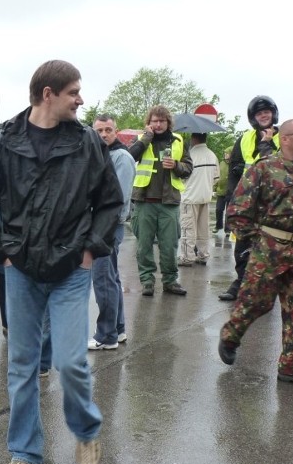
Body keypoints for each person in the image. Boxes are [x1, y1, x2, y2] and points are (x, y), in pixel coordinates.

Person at [0, 59, 123, 464]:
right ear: (48, 94)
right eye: (74, 92)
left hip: (71, 269)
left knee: (70, 363)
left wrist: (90, 250)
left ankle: (86, 431)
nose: (81, 100)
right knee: (22, 365)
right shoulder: (1, 145)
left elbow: (109, 203)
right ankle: (26, 453)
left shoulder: (88, 142)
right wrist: (2, 252)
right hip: (21, 272)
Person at [217, 119, 293, 388]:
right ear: (285, 139)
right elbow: (237, 213)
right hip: (270, 250)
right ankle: (231, 335)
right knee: (255, 302)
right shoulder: (264, 169)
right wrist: (261, 242)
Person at [219, 96, 280, 301]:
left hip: (272, 203)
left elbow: (275, 166)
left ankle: (265, 286)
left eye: (266, 112)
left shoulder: (283, 137)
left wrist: (267, 143)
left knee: (268, 247)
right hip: (247, 203)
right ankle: (241, 282)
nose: (263, 115)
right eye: (259, 113)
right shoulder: (244, 138)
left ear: (273, 114)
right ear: (253, 117)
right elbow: (234, 173)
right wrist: (231, 200)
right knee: (242, 246)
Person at [128, 105, 193, 296]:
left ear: (168, 122)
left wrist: (176, 166)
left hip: (169, 202)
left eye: (161, 121)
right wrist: (146, 139)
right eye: (154, 121)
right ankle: (147, 281)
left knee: (169, 245)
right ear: (148, 123)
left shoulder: (179, 140)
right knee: (144, 245)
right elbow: (130, 157)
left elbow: (188, 168)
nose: (158, 124)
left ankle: (170, 281)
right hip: (144, 201)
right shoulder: (140, 139)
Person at [88, 114, 136, 351]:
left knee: (103, 280)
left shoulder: (121, 158)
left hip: (108, 227)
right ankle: (117, 329)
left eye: (108, 130)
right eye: (99, 130)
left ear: (115, 131)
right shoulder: (101, 156)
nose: (104, 134)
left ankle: (106, 336)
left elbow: (118, 199)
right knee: (111, 279)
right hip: (100, 226)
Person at [178, 133, 219, 266]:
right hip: (205, 197)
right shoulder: (212, 155)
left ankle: (187, 257)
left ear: (193, 139)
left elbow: (182, 176)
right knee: (203, 229)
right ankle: (203, 255)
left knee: (188, 229)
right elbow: (216, 177)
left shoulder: (190, 156)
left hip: (189, 197)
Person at [213, 147, 231, 236]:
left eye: (227, 153)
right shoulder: (221, 163)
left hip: (230, 192)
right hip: (220, 191)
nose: (225, 154)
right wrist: (214, 188)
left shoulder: (234, 164)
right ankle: (218, 226)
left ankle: (228, 229)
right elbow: (217, 176)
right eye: (225, 153)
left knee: (229, 211)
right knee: (219, 209)